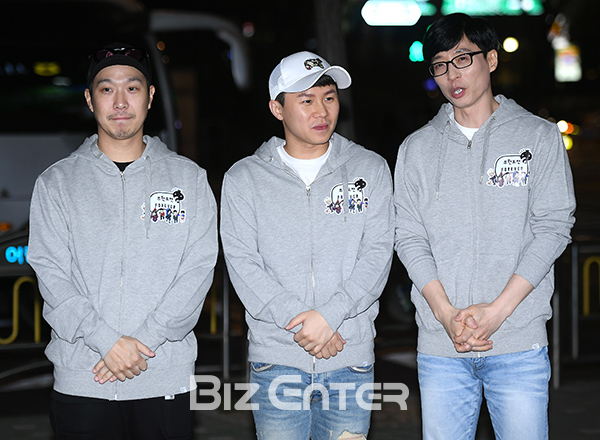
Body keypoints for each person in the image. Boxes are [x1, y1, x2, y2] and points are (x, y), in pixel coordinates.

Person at [394, 13, 576, 440]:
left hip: (517, 341)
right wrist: (445, 315)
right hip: (442, 346)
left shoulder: (538, 136)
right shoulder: (417, 148)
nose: (451, 75)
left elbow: (553, 226)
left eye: (463, 59)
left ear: (491, 59)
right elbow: (408, 235)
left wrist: (498, 312)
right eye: (440, 64)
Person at [27, 42, 218, 439]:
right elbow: (51, 272)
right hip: (84, 377)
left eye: (132, 88)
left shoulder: (189, 179)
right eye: (106, 89)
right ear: (89, 99)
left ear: (150, 96)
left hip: (163, 374)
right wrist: (105, 341)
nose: (119, 102)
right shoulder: (56, 182)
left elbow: (198, 269)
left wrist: (140, 343)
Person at [220, 51, 394, 440]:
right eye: (306, 100)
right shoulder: (245, 178)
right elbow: (243, 264)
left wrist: (329, 317)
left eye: (329, 97)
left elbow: (378, 254)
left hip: (348, 357)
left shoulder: (370, 169)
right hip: (276, 361)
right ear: (277, 108)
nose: (322, 111)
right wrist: (306, 324)